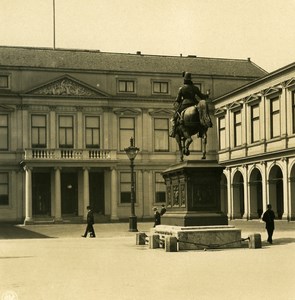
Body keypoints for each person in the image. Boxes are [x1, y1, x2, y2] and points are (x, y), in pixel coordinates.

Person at [170, 71, 210, 137]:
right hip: (194, 104)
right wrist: (207, 94)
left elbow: (178, 99)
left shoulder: (181, 88)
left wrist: (176, 103)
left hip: (184, 104)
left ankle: (173, 131)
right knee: (201, 115)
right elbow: (202, 97)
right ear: (190, 79)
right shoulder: (195, 88)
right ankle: (202, 130)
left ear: (184, 79)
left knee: (174, 117)